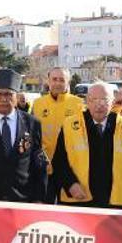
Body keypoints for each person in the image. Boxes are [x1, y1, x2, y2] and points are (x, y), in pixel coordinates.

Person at [52, 83, 122, 208]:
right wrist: (70, 184)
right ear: (87, 102)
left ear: (113, 102)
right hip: (79, 200)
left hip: (114, 202)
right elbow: (59, 161)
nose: (99, 104)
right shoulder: (70, 125)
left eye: (104, 100)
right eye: (93, 100)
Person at [0, 69, 47, 202]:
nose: (3, 99)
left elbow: (38, 164)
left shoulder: (32, 123)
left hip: (22, 199)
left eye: (8, 94)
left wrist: (39, 199)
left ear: (16, 96)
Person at [31, 67, 84, 203]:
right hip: (45, 167)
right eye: (54, 79)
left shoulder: (79, 104)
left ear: (68, 82)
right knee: (46, 208)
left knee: (68, 210)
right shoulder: (38, 104)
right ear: (48, 81)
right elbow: (32, 135)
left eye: (62, 80)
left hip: (70, 169)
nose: (58, 83)